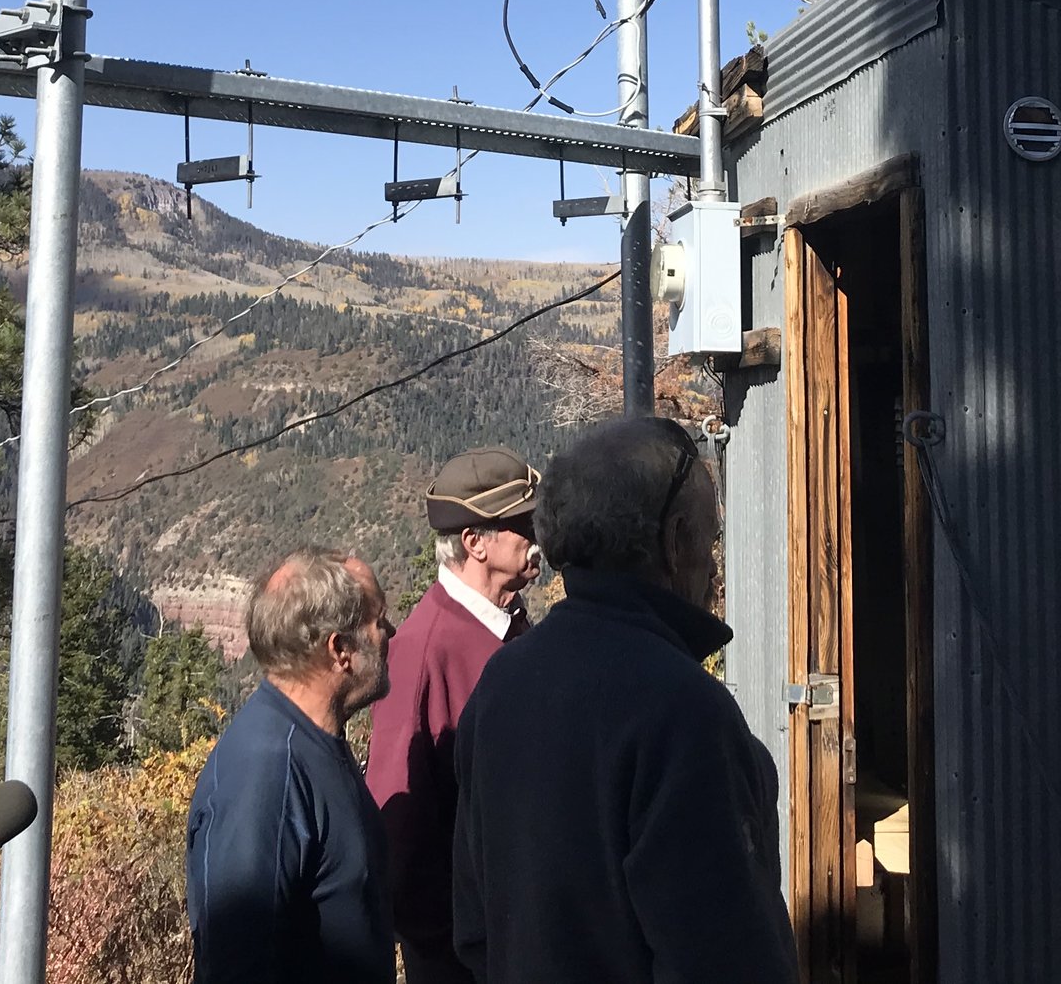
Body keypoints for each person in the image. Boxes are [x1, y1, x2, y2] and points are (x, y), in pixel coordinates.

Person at [451, 417, 797, 984]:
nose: (713, 564)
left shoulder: (501, 685)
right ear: (675, 538)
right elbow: (729, 957)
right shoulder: (684, 711)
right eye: (709, 539)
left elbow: (474, 929)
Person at [363, 446, 541, 984]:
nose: (538, 535)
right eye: (522, 524)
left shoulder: (510, 628)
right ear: (475, 543)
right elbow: (401, 832)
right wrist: (458, 953)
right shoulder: (424, 652)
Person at [186, 546, 397, 984]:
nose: (390, 630)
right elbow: (237, 965)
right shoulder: (266, 776)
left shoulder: (315, 743)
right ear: (340, 650)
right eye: (378, 621)